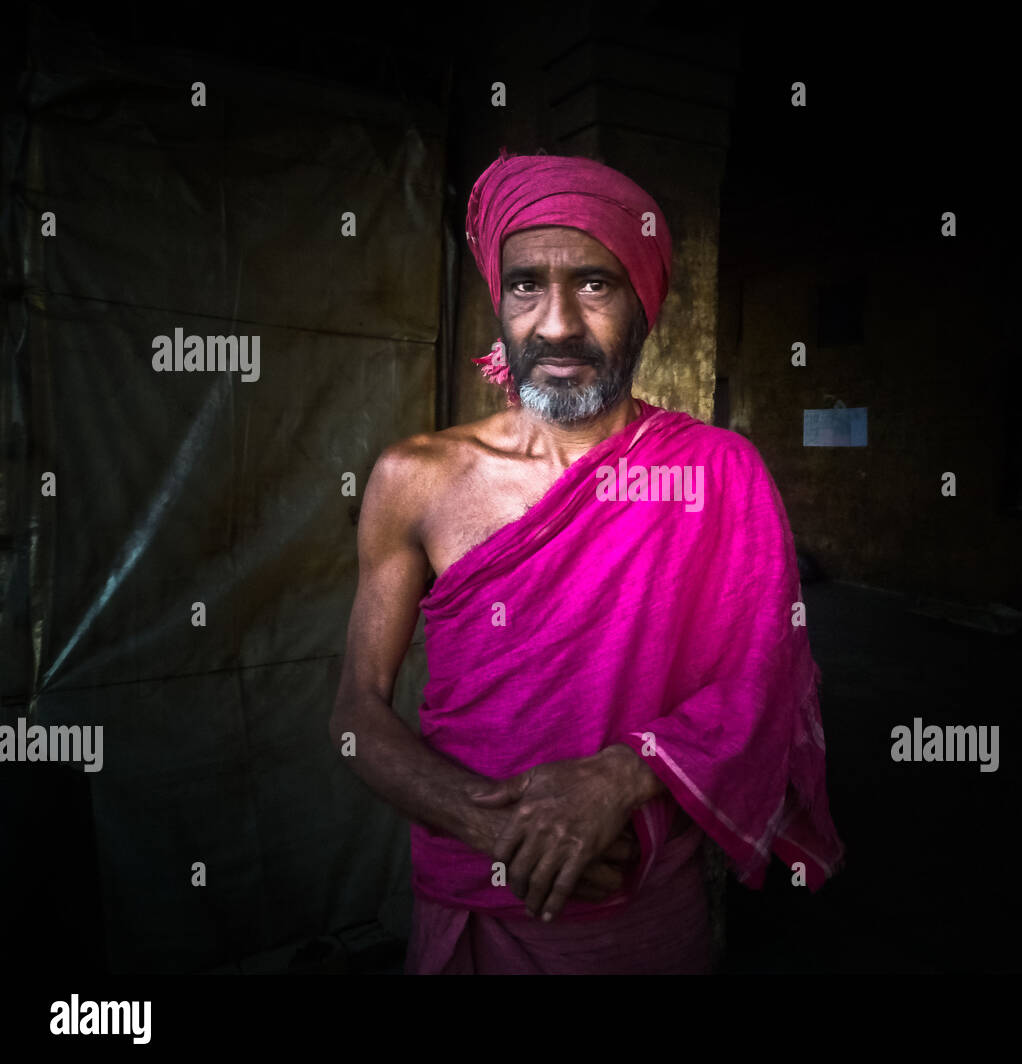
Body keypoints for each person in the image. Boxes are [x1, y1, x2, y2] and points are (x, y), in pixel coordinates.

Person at [329, 149, 844, 974]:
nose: (558, 323)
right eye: (527, 284)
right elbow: (355, 716)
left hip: (638, 907)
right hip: (470, 900)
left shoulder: (716, 471)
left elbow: (765, 679)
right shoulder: (413, 478)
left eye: (596, 285)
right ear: (501, 299)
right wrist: (491, 826)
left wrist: (621, 777)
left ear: (644, 303)